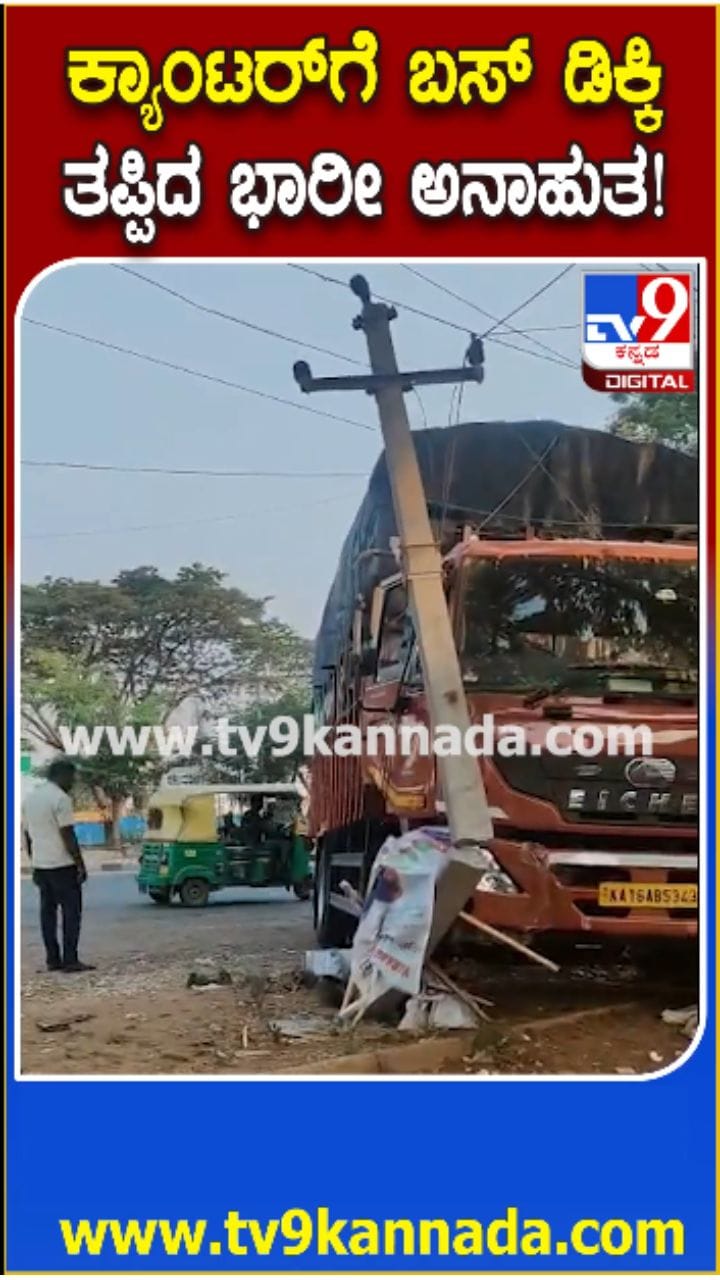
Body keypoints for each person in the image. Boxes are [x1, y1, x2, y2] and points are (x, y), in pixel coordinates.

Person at [22, 759, 94, 974]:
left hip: (42, 865)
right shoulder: (61, 799)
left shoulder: (31, 799)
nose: (73, 782)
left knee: (48, 913)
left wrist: (34, 861)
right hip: (62, 865)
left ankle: (52, 959)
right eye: (72, 777)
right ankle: (70, 960)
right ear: (62, 775)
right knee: (71, 913)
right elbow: (67, 834)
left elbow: (27, 834)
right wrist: (80, 864)